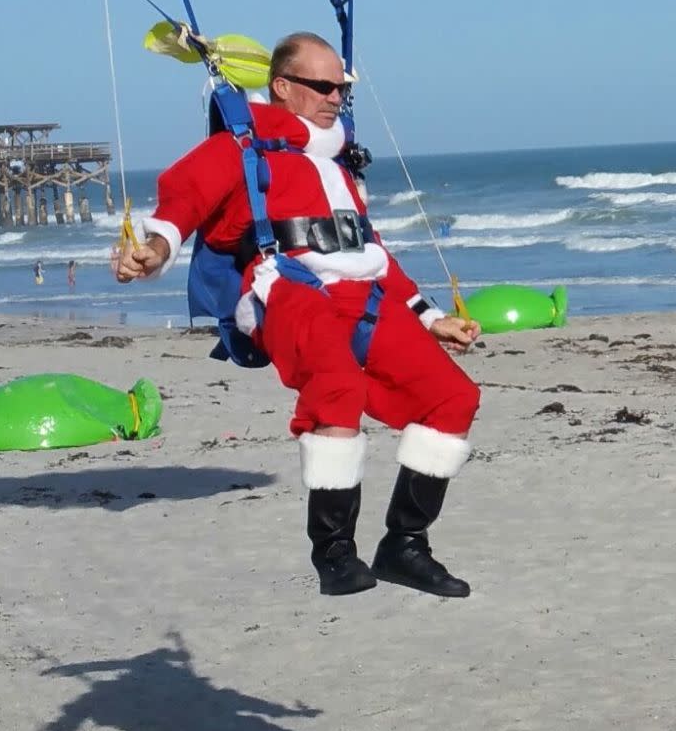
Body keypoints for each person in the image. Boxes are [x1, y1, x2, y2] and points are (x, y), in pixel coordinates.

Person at [113, 32, 483, 598]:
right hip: (287, 290)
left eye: (343, 86)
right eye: (323, 85)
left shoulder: (336, 163)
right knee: (336, 386)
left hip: (365, 294)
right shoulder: (242, 147)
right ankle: (333, 551)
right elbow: (182, 200)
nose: (337, 96)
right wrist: (154, 251)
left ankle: (405, 545)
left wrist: (429, 317)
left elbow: (370, 251)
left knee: (453, 397)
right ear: (282, 87)